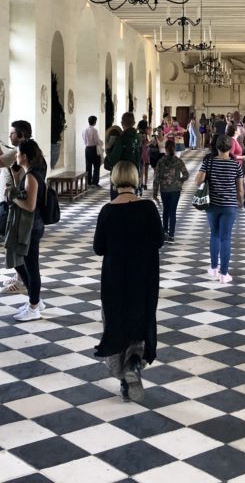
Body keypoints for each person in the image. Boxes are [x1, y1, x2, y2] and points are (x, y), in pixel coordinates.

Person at [94, 160, 164, 401]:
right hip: (143, 275)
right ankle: (135, 361)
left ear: (114, 179)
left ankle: (125, 378)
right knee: (140, 319)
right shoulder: (148, 207)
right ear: (135, 179)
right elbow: (159, 240)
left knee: (116, 321)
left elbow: (98, 248)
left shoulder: (107, 211)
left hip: (115, 276)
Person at [0, 121, 34, 295]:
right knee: (13, 243)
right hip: (7, 202)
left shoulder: (18, 152)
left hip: (9, 203)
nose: (9, 136)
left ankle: (22, 282)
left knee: (12, 244)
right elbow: (3, 163)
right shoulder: (18, 152)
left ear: (21, 135)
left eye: (12, 133)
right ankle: (19, 277)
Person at [5, 139, 49, 321]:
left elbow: (30, 205)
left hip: (31, 226)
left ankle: (34, 307)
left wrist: (12, 196)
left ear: (24, 156)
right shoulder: (30, 173)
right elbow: (26, 195)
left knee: (31, 267)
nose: (16, 156)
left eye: (18, 153)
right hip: (30, 226)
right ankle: (35, 299)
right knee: (20, 261)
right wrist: (16, 179)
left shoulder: (31, 176)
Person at [197, 134, 243, 283]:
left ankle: (213, 268)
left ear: (216, 147)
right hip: (229, 206)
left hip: (212, 205)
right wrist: (241, 202)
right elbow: (240, 190)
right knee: (226, 238)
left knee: (214, 235)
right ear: (230, 147)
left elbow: (198, 181)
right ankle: (224, 274)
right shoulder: (235, 165)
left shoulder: (209, 162)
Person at [152, 139, 189, 242]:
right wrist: (180, 181)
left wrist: (154, 193)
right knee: (173, 212)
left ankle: (165, 232)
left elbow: (156, 178)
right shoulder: (178, 161)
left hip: (164, 190)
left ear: (165, 149)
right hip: (175, 190)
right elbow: (186, 175)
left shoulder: (161, 161)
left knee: (165, 210)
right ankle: (171, 235)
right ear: (174, 148)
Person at [104, 112, 142, 200]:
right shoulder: (138, 138)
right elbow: (139, 156)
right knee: (132, 200)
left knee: (118, 201)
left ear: (122, 123)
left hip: (120, 174)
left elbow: (113, 159)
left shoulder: (121, 139)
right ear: (134, 123)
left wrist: (108, 149)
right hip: (133, 173)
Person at [83, 115, 102, 187]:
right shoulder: (94, 130)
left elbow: (84, 139)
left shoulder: (84, 130)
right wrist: (101, 143)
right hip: (94, 149)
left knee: (88, 166)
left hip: (87, 148)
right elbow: (97, 141)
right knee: (96, 165)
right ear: (95, 122)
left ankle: (88, 182)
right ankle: (95, 182)